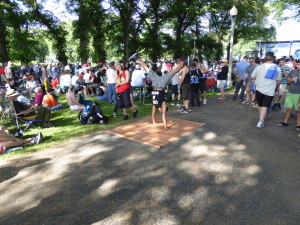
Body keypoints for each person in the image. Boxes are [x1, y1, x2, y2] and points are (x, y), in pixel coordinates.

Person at [132, 53, 185, 129]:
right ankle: (182, 63)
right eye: (162, 111)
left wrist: (154, 121)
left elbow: (153, 114)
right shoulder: (163, 104)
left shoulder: (155, 104)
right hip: (161, 84)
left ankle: (137, 58)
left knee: (147, 70)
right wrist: (165, 126)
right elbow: (164, 116)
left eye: (161, 111)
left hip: (156, 83)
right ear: (164, 109)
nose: (161, 111)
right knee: (173, 72)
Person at [251, 52, 281, 128]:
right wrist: (277, 87)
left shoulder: (259, 67)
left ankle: (262, 119)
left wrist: (257, 79)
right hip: (270, 90)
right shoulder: (277, 68)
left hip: (259, 89)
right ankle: (260, 121)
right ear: (273, 58)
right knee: (264, 106)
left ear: (265, 58)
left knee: (260, 105)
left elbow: (252, 76)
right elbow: (279, 81)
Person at [276, 60, 300, 130]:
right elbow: (288, 82)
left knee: (298, 110)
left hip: (298, 94)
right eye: (297, 65)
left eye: (299, 65)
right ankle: (285, 122)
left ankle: (298, 125)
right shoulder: (293, 72)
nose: (298, 66)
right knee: (288, 109)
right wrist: (292, 80)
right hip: (290, 92)